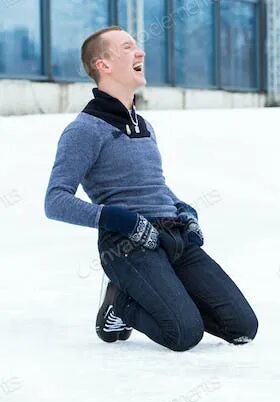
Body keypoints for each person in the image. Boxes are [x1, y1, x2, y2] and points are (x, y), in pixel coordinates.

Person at [44, 26, 258, 351]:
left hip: (174, 237)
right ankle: (120, 305)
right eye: (128, 47)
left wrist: (184, 210)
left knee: (243, 327)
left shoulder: (143, 125)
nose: (140, 52)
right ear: (103, 65)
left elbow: (152, 185)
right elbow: (55, 201)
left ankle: (166, 298)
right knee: (184, 334)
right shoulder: (84, 130)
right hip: (127, 245)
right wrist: (121, 220)